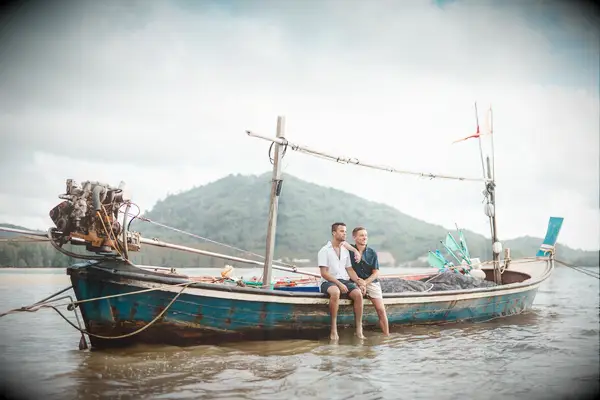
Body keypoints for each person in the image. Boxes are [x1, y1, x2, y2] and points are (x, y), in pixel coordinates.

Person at [318, 222, 365, 340]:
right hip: (327, 281)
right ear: (334, 233)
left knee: (358, 294)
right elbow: (324, 273)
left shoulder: (345, 250)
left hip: (343, 280)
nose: (344, 233)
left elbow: (349, 270)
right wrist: (338, 284)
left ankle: (359, 329)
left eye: (345, 231)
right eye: (341, 231)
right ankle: (333, 329)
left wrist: (359, 281)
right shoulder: (324, 250)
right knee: (335, 292)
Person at [343, 226, 390, 336]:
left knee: (381, 309)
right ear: (354, 237)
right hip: (355, 281)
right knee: (356, 295)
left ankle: (386, 336)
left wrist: (365, 283)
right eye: (361, 235)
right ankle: (358, 331)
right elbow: (342, 243)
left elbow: (376, 272)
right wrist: (359, 282)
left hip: (371, 282)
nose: (364, 237)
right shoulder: (349, 251)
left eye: (365, 235)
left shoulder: (372, 252)